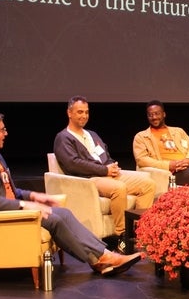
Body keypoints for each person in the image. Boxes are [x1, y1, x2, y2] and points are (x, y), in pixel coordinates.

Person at [0, 110, 142, 276]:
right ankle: (102, 258)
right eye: (2, 130)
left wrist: (35, 196)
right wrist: (23, 205)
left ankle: (101, 258)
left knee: (64, 213)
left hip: (9, 208)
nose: (6, 133)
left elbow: (8, 190)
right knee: (55, 219)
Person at [53, 96, 156, 249]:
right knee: (118, 188)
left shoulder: (92, 135)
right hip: (88, 179)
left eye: (86, 112)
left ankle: (139, 231)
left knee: (148, 184)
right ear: (69, 113)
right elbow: (73, 165)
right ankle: (123, 235)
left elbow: (104, 155)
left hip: (106, 173)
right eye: (80, 112)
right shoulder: (64, 138)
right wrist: (104, 170)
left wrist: (111, 166)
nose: (84, 116)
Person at [133, 100, 189, 188]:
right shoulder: (141, 136)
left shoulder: (178, 131)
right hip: (174, 171)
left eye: (157, 113)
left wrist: (188, 160)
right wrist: (169, 165)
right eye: (150, 115)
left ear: (164, 114)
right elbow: (141, 159)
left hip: (187, 163)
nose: (154, 117)